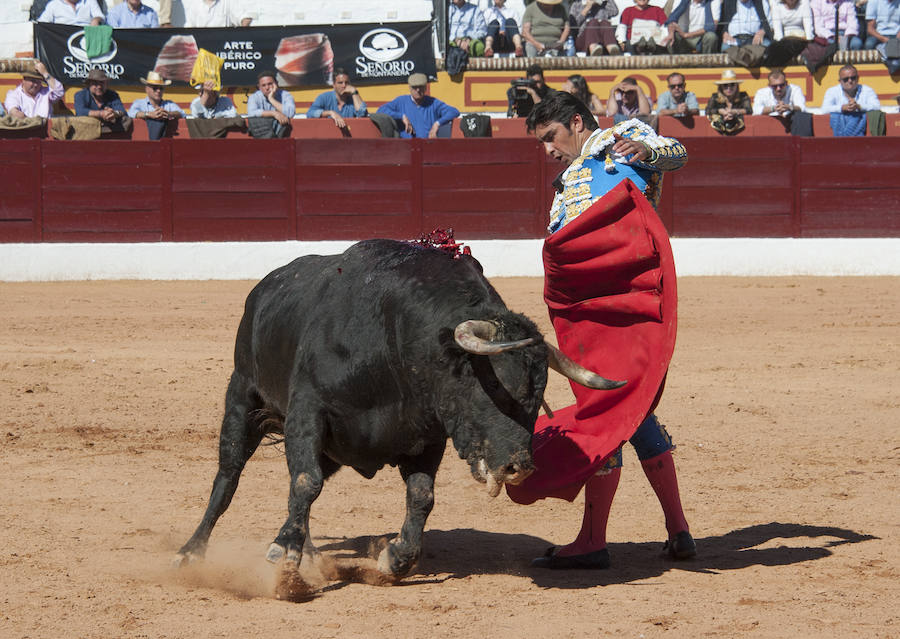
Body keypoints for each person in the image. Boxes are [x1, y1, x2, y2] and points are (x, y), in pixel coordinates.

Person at [507, 90, 692, 569]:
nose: (547, 148)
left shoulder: (622, 137)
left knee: (604, 412)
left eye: (551, 137)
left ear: (575, 121)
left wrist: (649, 152)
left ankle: (593, 541)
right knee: (630, 413)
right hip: (590, 309)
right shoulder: (566, 180)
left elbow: (677, 153)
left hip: (625, 300)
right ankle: (679, 531)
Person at [375, 73, 460, 139]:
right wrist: (401, 116)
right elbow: (381, 110)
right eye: (415, 87)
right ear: (410, 88)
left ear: (425, 87)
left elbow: (454, 111)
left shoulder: (433, 102)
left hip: (427, 146)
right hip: (406, 147)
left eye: (421, 87)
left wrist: (437, 124)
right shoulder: (401, 101)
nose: (418, 90)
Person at [821, 63, 882, 135]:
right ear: (840, 81)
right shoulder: (832, 91)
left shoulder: (867, 90)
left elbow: (877, 106)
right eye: (845, 79)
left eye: (853, 78)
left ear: (858, 78)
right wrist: (842, 108)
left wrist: (859, 107)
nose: (850, 81)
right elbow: (824, 109)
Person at [127, 70, 185, 140]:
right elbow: (131, 113)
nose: (158, 91)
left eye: (161, 88)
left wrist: (169, 114)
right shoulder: (139, 103)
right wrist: (149, 114)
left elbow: (181, 113)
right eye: (155, 88)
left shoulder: (169, 104)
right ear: (147, 89)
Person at [752, 69, 813, 135]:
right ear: (769, 86)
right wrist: (774, 108)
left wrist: (789, 107)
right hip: (768, 131)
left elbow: (802, 108)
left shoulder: (795, 89)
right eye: (774, 86)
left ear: (786, 83)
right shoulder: (762, 92)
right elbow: (756, 110)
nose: (778, 89)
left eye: (781, 85)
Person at [73, 68, 132, 132]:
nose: (99, 86)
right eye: (95, 83)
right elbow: (80, 111)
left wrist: (114, 113)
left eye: (102, 83)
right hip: (87, 130)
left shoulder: (113, 95)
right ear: (89, 84)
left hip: (109, 126)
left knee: (126, 119)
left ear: (106, 84)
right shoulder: (81, 95)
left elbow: (122, 111)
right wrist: (101, 113)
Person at [246, 70, 295, 138]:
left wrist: (271, 99)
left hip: (282, 135)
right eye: (263, 85)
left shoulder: (286, 95)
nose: (267, 88)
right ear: (259, 87)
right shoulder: (254, 97)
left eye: (270, 84)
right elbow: (251, 113)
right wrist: (274, 113)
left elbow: (290, 113)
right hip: (262, 135)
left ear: (276, 84)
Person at [764, 0, 814, 65]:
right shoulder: (777, 6)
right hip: (784, 40)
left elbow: (808, 26)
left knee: (792, 46)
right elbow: (777, 30)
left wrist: (809, 41)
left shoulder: (804, 4)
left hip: (801, 38)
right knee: (773, 49)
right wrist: (780, 43)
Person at [705, 68, 751, 135]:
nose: (729, 88)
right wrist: (720, 111)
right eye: (725, 85)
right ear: (721, 87)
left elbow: (749, 110)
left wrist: (734, 112)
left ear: (736, 86)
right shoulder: (715, 97)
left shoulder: (743, 96)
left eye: (732, 84)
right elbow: (707, 111)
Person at [864, 0, 900, 72]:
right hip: (878, 34)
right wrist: (884, 39)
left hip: (896, 34)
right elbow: (870, 28)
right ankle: (871, 70)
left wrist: (897, 39)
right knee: (869, 45)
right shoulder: (873, 2)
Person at [186, 0, 252, 27]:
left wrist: (244, 22)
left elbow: (244, 17)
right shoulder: (194, 6)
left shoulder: (227, 2)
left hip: (223, 48)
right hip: (202, 49)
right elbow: (189, 29)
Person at [37, 0, 104, 25]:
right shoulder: (53, 4)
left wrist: (96, 19)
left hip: (87, 38)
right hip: (62, 41)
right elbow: (41, 23)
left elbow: (100, 16)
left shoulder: (90, 1)